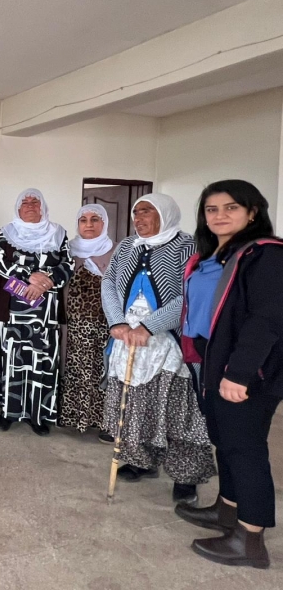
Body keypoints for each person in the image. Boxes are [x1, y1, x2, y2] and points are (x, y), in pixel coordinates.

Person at [176, 180, 283, 569]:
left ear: (253, 212)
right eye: (212, 209)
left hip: (246, 367)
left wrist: (239, 374)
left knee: (245, 447)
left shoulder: (266, 254)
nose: (219, 215)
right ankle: (228, 510)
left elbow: (267, 319)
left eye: (231, 207)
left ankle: (250, 541)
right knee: (224, 439)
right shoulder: (217, 254)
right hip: (212, 357)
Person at [102, 193, 215, 505]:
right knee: (136, 405)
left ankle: (185, 476)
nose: (138, 218)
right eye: (136, 212)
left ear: (165, 214)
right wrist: (116, 321)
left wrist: (150, 326)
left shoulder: (187, 245)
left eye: (146, 211)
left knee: (178, 409)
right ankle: (141, 460)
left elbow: (191, 293)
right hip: (128, 337)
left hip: (170, 339)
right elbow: (108, 283)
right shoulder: (127, 246)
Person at [0, 188, 73, 436]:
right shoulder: (7, 232)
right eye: (25, 203)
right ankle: (8, 412)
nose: (30, 206)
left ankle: (38, 415)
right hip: (13, 309)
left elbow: (67, 264)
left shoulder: (58, 233)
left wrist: (46, 282)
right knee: (12, 361)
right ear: (18, 208)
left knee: (41, 362)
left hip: (45, 312)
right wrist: (28, 278)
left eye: (35, 202)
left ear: (43, 207)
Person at [58, 204, 116, 439]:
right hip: (72, 326)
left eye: (95, 219)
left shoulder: (115, 251)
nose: (89, 224)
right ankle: (73, 417)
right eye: (83, 220)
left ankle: (103, 421)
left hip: (104, 326)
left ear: (104, 223)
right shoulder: (67, 250)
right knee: (73, 369)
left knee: (102, 370)